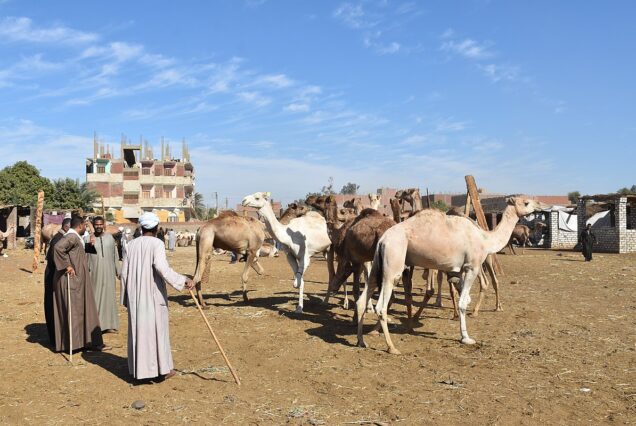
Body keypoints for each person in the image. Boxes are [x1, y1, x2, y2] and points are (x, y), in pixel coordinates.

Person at [120, 212, 194, 381]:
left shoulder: (130, 245)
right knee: (156, 331)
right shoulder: (157, 244)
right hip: (152, 295)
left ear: (141, 227)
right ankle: (162, 370)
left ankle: (141, 371)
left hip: (135, 297)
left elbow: (124, 273)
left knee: (139, 331)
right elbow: (162, 267)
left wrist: (126, 298)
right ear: (156, 228)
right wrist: (183, 281)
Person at [52, 215, 109, 353]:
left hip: (78, 280)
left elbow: (76, 253)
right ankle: (75, 344)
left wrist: (89, 243)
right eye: (85, 226)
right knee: (75, 312)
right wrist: (67, 266)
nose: (87, 228)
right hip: (72, 280)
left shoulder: (75, 237)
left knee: (81, 310)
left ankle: (84, 341)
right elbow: (58, 248)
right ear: (80, 226)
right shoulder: (71, 237)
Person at [85, 216, 121, 333]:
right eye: (96, 224)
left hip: (109, 272)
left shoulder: (110, 238)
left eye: (101, 224)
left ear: (104, 225)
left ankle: (109, 324)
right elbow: (87, 258)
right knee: (96, 297)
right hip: (95, 273)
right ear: (93, 225)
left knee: (109, 298)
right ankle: (97, 325)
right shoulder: (88, 239)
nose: (99, 226)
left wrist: (118, 270)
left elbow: (115, 255)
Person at [44, 218, 71, 345]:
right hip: (53, 275)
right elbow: (55, 258)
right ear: (66, 227)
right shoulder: (59, 239)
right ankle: (56, 338)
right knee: (53, 305)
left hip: (54, 273)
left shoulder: (60, 237)